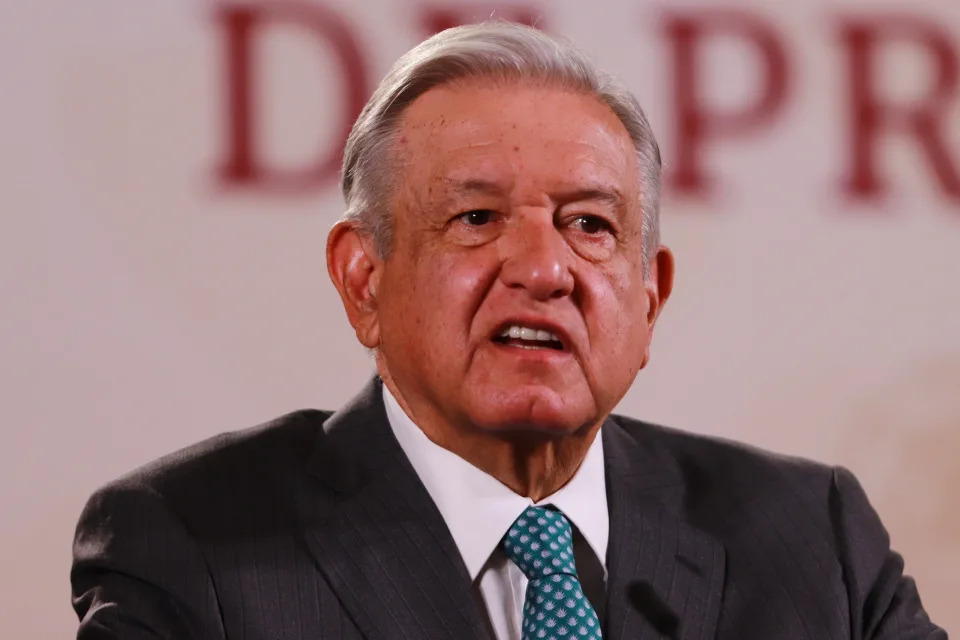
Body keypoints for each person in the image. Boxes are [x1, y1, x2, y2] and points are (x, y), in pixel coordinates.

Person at [71, 22, 945, 640]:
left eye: (591, 225)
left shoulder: (810, 538)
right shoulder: (193, 547)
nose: (544, 268)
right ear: (363, 278)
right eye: (479, 217)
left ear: (649, 297)